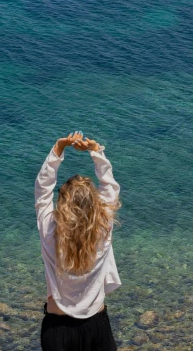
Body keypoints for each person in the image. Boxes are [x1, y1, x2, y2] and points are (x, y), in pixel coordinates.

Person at [35, 131, 122, 351]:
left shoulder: (49, 230)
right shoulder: (102, 229)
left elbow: (42, 190)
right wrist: (96, 152)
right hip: (97, 328)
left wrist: (59, 148)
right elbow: (110, 187)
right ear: (95, 205)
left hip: (58, 330)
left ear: (62, 204)